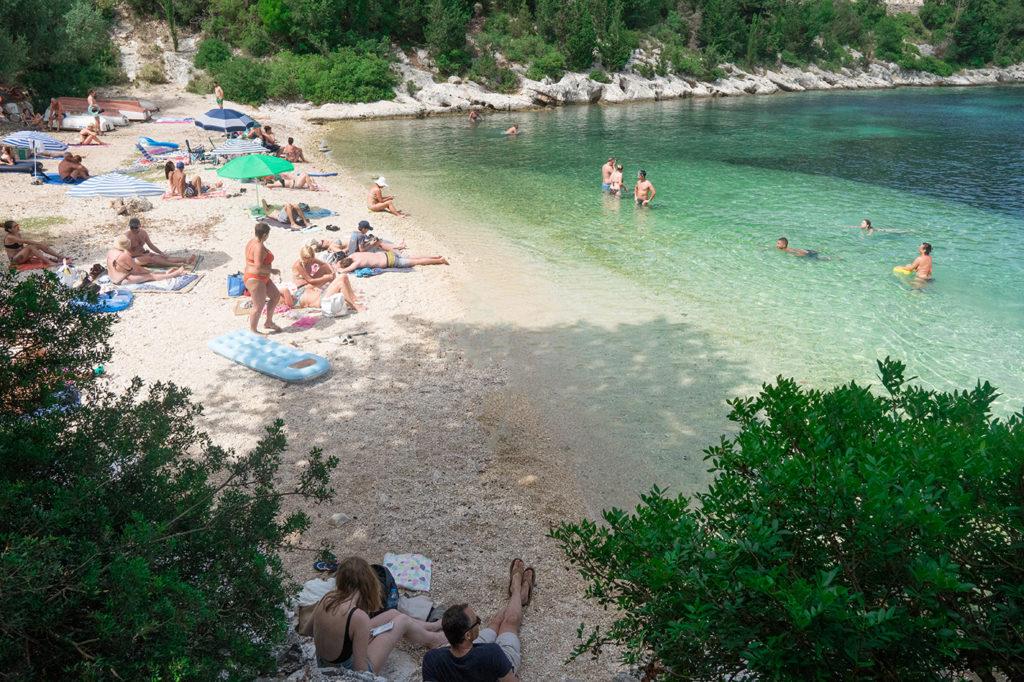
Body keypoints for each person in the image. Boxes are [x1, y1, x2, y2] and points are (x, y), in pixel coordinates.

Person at [312, 557, 448, 673]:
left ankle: (431, 626)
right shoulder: (358, 616)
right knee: (402, 621)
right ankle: (434, 639)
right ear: (368, 584)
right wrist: (368, 639)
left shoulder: (328, 598)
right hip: (345, 671)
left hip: (324, 663)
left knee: (392, 614)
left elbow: (310, 630)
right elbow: (362, 670)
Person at [422, 559, 536, 682]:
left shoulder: (432, 659)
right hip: (497, 663)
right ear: (468, 635)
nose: (479, 623)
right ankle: (518, 592)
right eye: (477, 621)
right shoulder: (493, 653)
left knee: (495, 622)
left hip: (470, 648)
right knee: (510, 622)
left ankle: (517, 595)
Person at [291, 245, 363, 311]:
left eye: (311, 259)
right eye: (308, 259)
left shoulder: (311, 259)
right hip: (304, 285)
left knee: (326, 268)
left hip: (310, 287)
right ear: (303, 257)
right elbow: (310, 280)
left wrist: (332, 272)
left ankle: (352, 297)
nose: (310, 261)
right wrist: (326, 278)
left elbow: (325, 264)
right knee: (341, 278)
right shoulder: (299, 265)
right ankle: (340, 290)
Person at [244, 222, 282, 333]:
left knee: (275, 296)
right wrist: (272, 270)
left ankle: (268, 322)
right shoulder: (258, 247)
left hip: (261, 278)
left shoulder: (252, 241)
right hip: (256, 279)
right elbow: (258, 267)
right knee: (258, 306)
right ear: (265, 235)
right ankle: (253, 330)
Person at [106, 236, 184, 285]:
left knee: (147, 271)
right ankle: (173, 275)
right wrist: (152, 272)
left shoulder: (110, 252)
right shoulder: (124, 255)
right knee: (150, 276)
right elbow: (138, 270)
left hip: (113, 277)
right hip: (121, 280)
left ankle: (165, 273)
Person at [124, 217, 196, 268]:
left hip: (143, 254)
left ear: (140, 226)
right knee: (153, 259)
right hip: (133, 258)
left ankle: (186, 260)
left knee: (163, 257)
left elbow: (151, 245)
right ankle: (177, 265)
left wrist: (160, 252)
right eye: (132, 228)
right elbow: (127, 253)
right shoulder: (127, 237)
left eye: (136, 227)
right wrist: (142, 254)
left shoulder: (143, 233)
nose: (134, 229)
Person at [336, 243, 448, 272]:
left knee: (416, 262)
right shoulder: (354, 255)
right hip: (387, 254)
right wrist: (337, 264)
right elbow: (343, 262)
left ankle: (439, 260)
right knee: (413, 257)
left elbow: (346, 270)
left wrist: (339, 269)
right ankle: (435, 256)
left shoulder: (357, 263)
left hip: (391, 261)